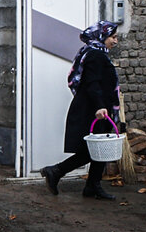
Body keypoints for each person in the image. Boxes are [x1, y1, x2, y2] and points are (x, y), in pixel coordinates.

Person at [40, 21, 121, 200]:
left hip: (95, 107)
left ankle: (92, 186)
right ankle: (56, 171)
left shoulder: (95, 53)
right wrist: (100, 106)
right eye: (112, 37)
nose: (115, 41)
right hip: (93, 109)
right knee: (94, 150)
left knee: (100, 148)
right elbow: (92, 84)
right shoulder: (95, 55)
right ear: (101, 36)